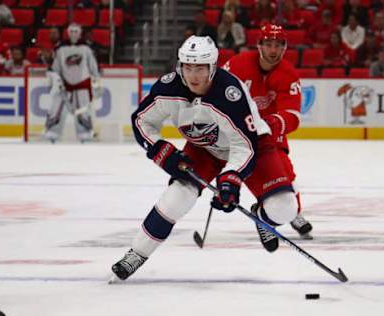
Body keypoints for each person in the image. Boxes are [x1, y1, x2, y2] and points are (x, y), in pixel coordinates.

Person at [111, 36, 274, 280]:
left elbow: (245, 145)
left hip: (245, 145)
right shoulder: (168, 87)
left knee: (284, 208)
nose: (193, 75)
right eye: (188, 67)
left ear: (212, 67)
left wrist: (230, 179)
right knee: (175, 199)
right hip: (203, 148)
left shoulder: (230, 93)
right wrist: (160, 150)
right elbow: (141, 120)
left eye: (200, 68)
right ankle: (137, 253)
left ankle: (265, 216)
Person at [222, 23, 314, 252]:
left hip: (270, 133)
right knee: (243, 173)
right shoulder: (236, 64)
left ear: (285, 47)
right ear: (259, 44)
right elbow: (217, 93)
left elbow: (292, 116)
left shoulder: (289, 74)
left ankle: (289, 213)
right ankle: (270, 209)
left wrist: (272, 124)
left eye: (279, 45)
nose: (273, 50)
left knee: (287, 176)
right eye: (269, 44)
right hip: (238, 130)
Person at [43, 23, 101, 143]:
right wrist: (55, 80)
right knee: (56, 109)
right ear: (68, 33)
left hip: (82, 86)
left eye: (76, 31)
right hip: (64, 86)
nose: (74, 34)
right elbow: (55, 68)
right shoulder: (61, 49)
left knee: (83, 111)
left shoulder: (86, 48)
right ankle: (53, 132)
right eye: (71, 31)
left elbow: (93, 68)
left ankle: (85, 134)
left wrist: (97, 81)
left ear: (80, 33)